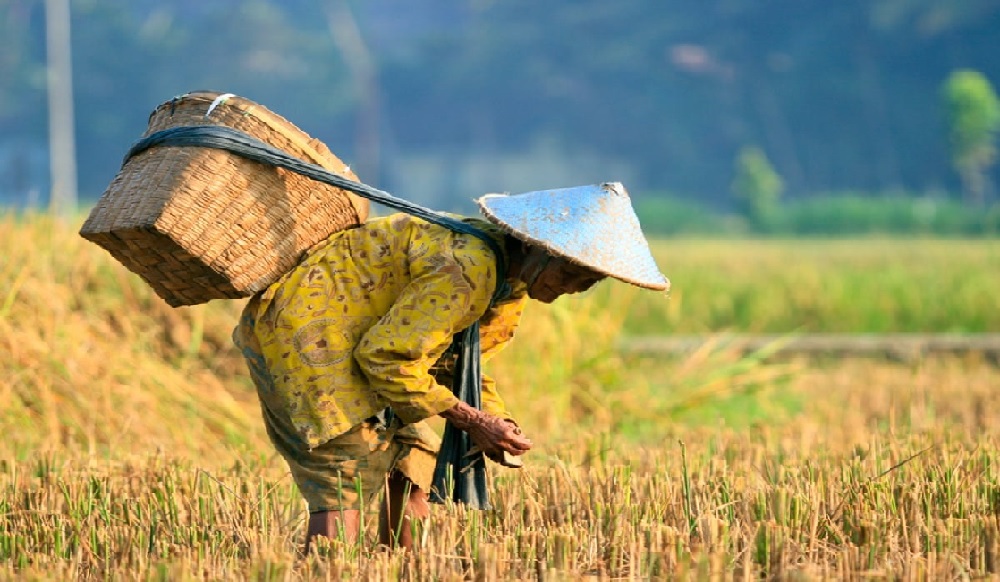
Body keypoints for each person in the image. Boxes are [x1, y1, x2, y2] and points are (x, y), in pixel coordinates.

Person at [232, 182, 669, 552]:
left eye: (589, 283)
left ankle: (404, 569)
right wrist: (472, 420)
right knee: (345, 467)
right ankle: (328, 569)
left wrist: (495, 419)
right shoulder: (467, 268)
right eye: (572, 274)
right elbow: (385, 357)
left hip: (361, 340)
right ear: (537, 249)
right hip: (308, 340)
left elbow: (459, 362)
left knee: (415, 462)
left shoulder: (510, 281)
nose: (574, 289)